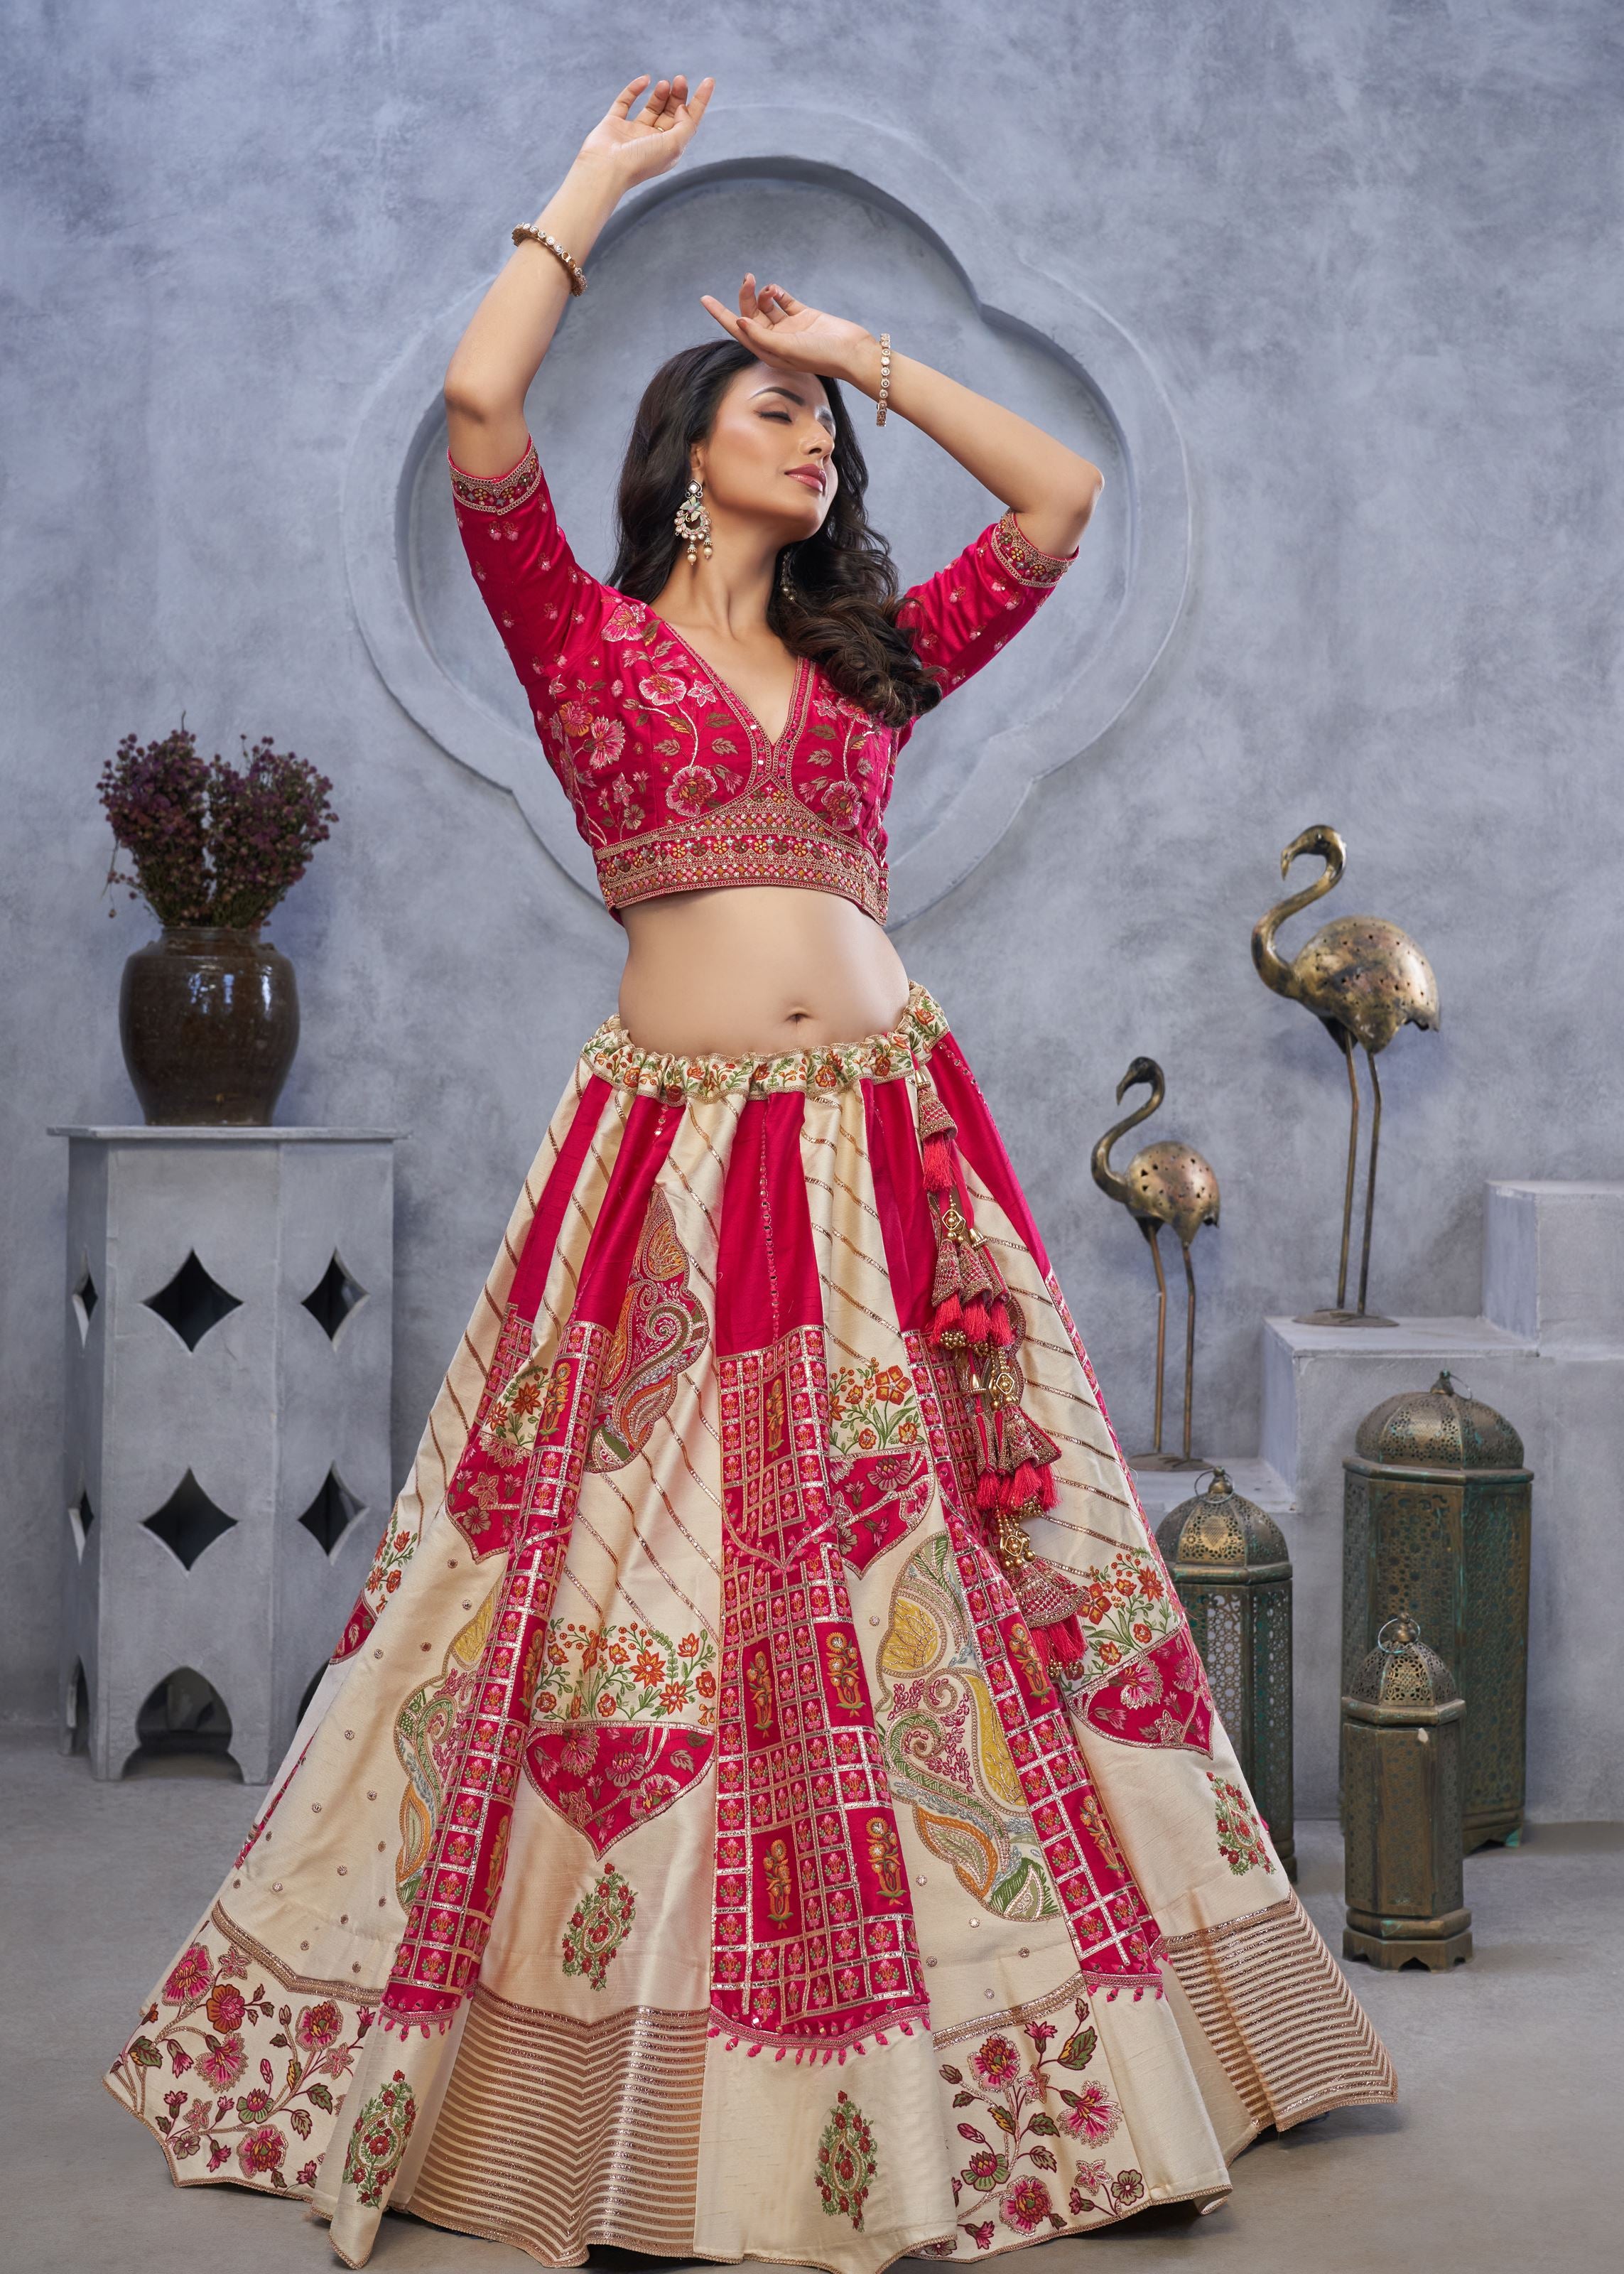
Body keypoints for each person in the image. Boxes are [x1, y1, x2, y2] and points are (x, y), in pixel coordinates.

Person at [107, 72, 1393, 2271]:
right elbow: (480, 405)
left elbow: (1067, 497)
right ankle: (636, 2098)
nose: (818, 444)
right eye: (780, 413)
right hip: (675, 1175)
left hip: (893, 1145)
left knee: (958, 1593)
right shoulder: (584, 647)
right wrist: (607, 179)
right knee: (637, 1607)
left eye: (833, 432)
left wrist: (877, 353)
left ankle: (1052, 2072)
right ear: (687, 448)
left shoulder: (865, 665)